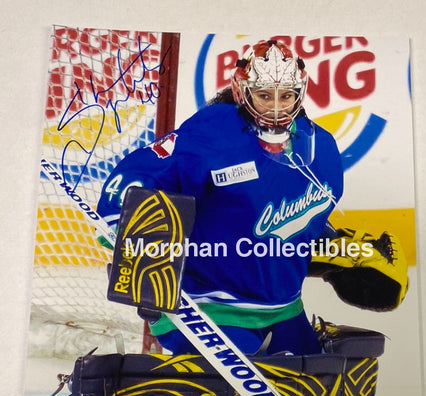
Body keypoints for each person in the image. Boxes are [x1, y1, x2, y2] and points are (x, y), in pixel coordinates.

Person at [97, 39, 405, 356]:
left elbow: (293, 224)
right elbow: (141, 172)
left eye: (286, 96)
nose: (276, 106)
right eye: (264, 95)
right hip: (204, 307)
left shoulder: (322, 149)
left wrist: (340, 251)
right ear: (243, 90)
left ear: (300, 93)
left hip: (282, 309)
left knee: (312, 391)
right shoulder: (214, 133)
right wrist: (129, 228)